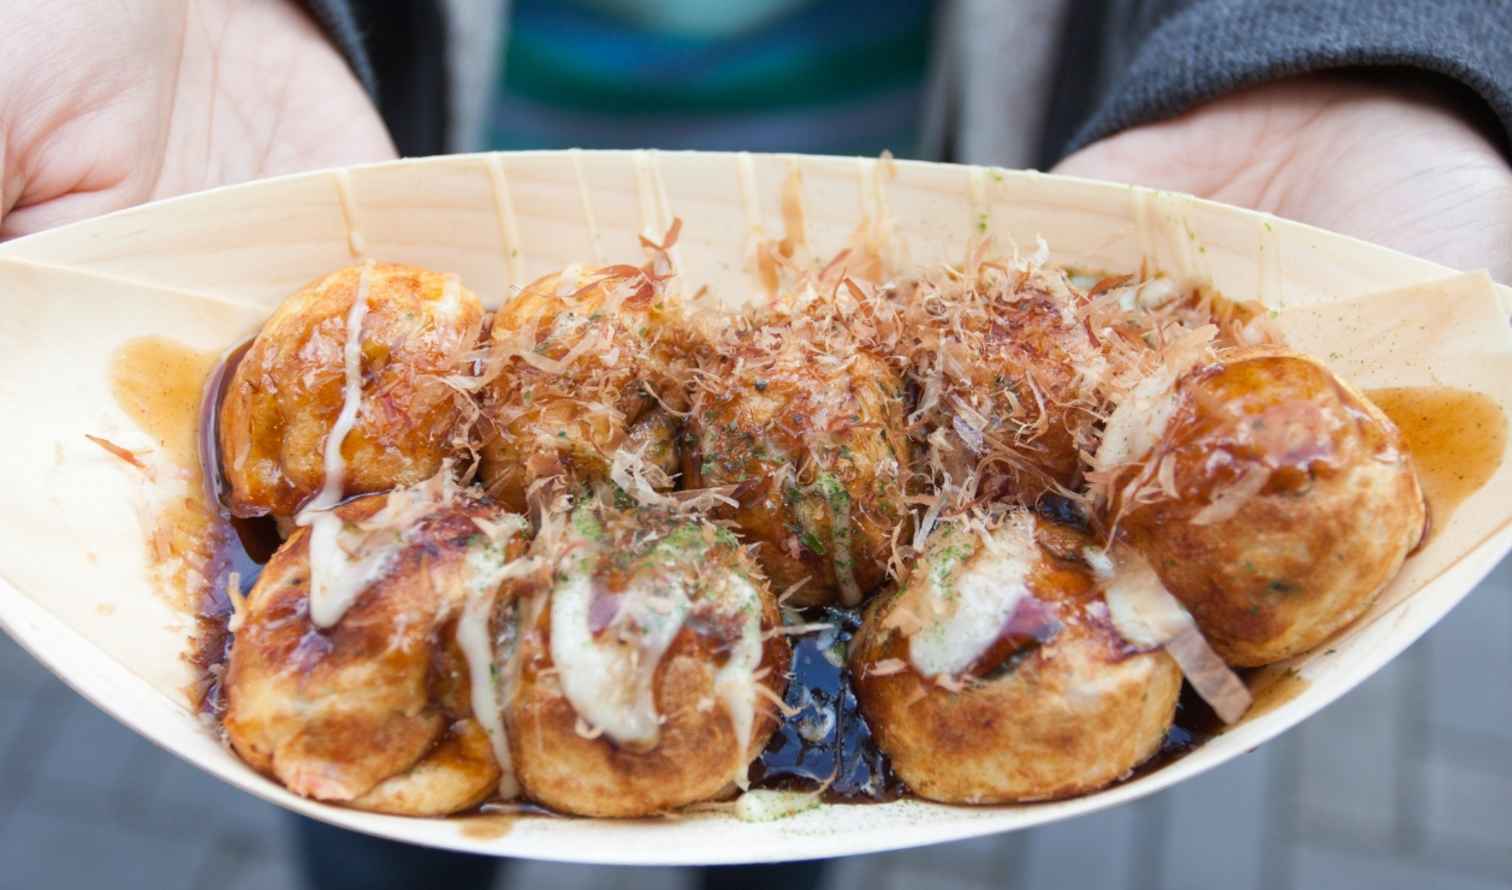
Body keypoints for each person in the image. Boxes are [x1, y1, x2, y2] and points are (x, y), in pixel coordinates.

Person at [4, 2, 1507, 888]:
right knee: (374, 837)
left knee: (784, 807)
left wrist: (1358, 48)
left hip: (973, 135)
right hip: (372, 114)